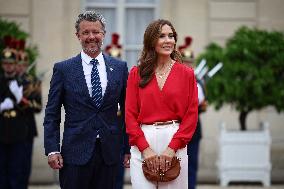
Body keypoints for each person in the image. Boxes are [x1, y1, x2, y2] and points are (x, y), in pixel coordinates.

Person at [43, 11, 130, 189]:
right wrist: (52, 149)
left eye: (96, 32)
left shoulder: (120, 68)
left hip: (109, 154)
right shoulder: (63, 69)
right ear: (78, 36)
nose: (91, 37)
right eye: (86, 32)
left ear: (103, 34)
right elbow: (52, 114)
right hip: (74, 154)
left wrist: (128, 148)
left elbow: (129, 111)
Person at [125, 19, 198, 189]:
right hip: (143, 140)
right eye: (162, 36)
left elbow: (191, 115)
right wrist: (145, 149)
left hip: (175, 139)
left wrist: (172, 148)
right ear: (151, 41)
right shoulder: (137, 73)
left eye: (171, 36)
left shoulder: (187, 74)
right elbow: (129, 115)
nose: (168, 40)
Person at [0, 47, 30, 189]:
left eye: (11, 63)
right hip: (1, 132)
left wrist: (20, 100)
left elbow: (32, 107)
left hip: (18, 133)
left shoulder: (23, 82)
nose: (8, 66)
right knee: (1, 173)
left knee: (16, 173)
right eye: (6, 63)